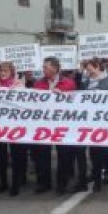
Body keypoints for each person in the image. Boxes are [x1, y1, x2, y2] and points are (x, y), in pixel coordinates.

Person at [33, 57, 76, 196]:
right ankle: (44, 183)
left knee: (63, 155)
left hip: (61, 125)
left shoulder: (68, 83)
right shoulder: (38, 83)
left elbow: (73, 101)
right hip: (43, 124)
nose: (43, 69)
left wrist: (61, 95)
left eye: (45, 67)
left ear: (55, 68)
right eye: (43, 67)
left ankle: (61, 184)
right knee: (41, 155)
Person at [0, 61, 28, 196]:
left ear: (11, 72)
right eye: (1, 71)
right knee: (1, 157)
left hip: (15, 126)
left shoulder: (19, 86)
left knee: (16, 156)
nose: (3, 73)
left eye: (6, 71)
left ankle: (15, 184)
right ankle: (3, 183)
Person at [84, 58, 108, 192]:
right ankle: (97, 178)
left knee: (105, 150)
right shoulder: (86, 82)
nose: (87, 72)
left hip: (106, 121)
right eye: (86, 70)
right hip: (91, 121)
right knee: (94, 151)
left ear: (97, 66)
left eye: (89, 69)